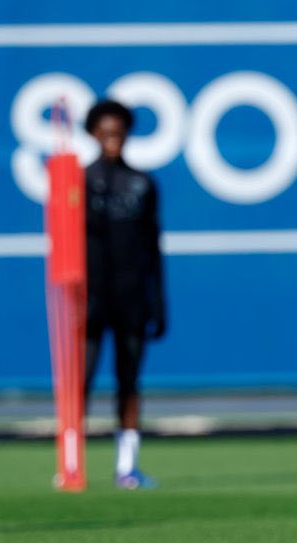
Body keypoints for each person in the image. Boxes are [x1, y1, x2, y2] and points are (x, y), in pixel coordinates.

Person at [83, 99, 166, 489]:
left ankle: (126, 467)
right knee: (80, 380)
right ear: (93, 134)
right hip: (90, 301)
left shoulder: (143, 184)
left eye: (119, 131)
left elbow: (153, 248)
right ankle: (72, 463)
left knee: (129, 381)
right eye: (105, 132)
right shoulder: (78, 184)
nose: (112, 139)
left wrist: (159, 303)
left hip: (131, 298)